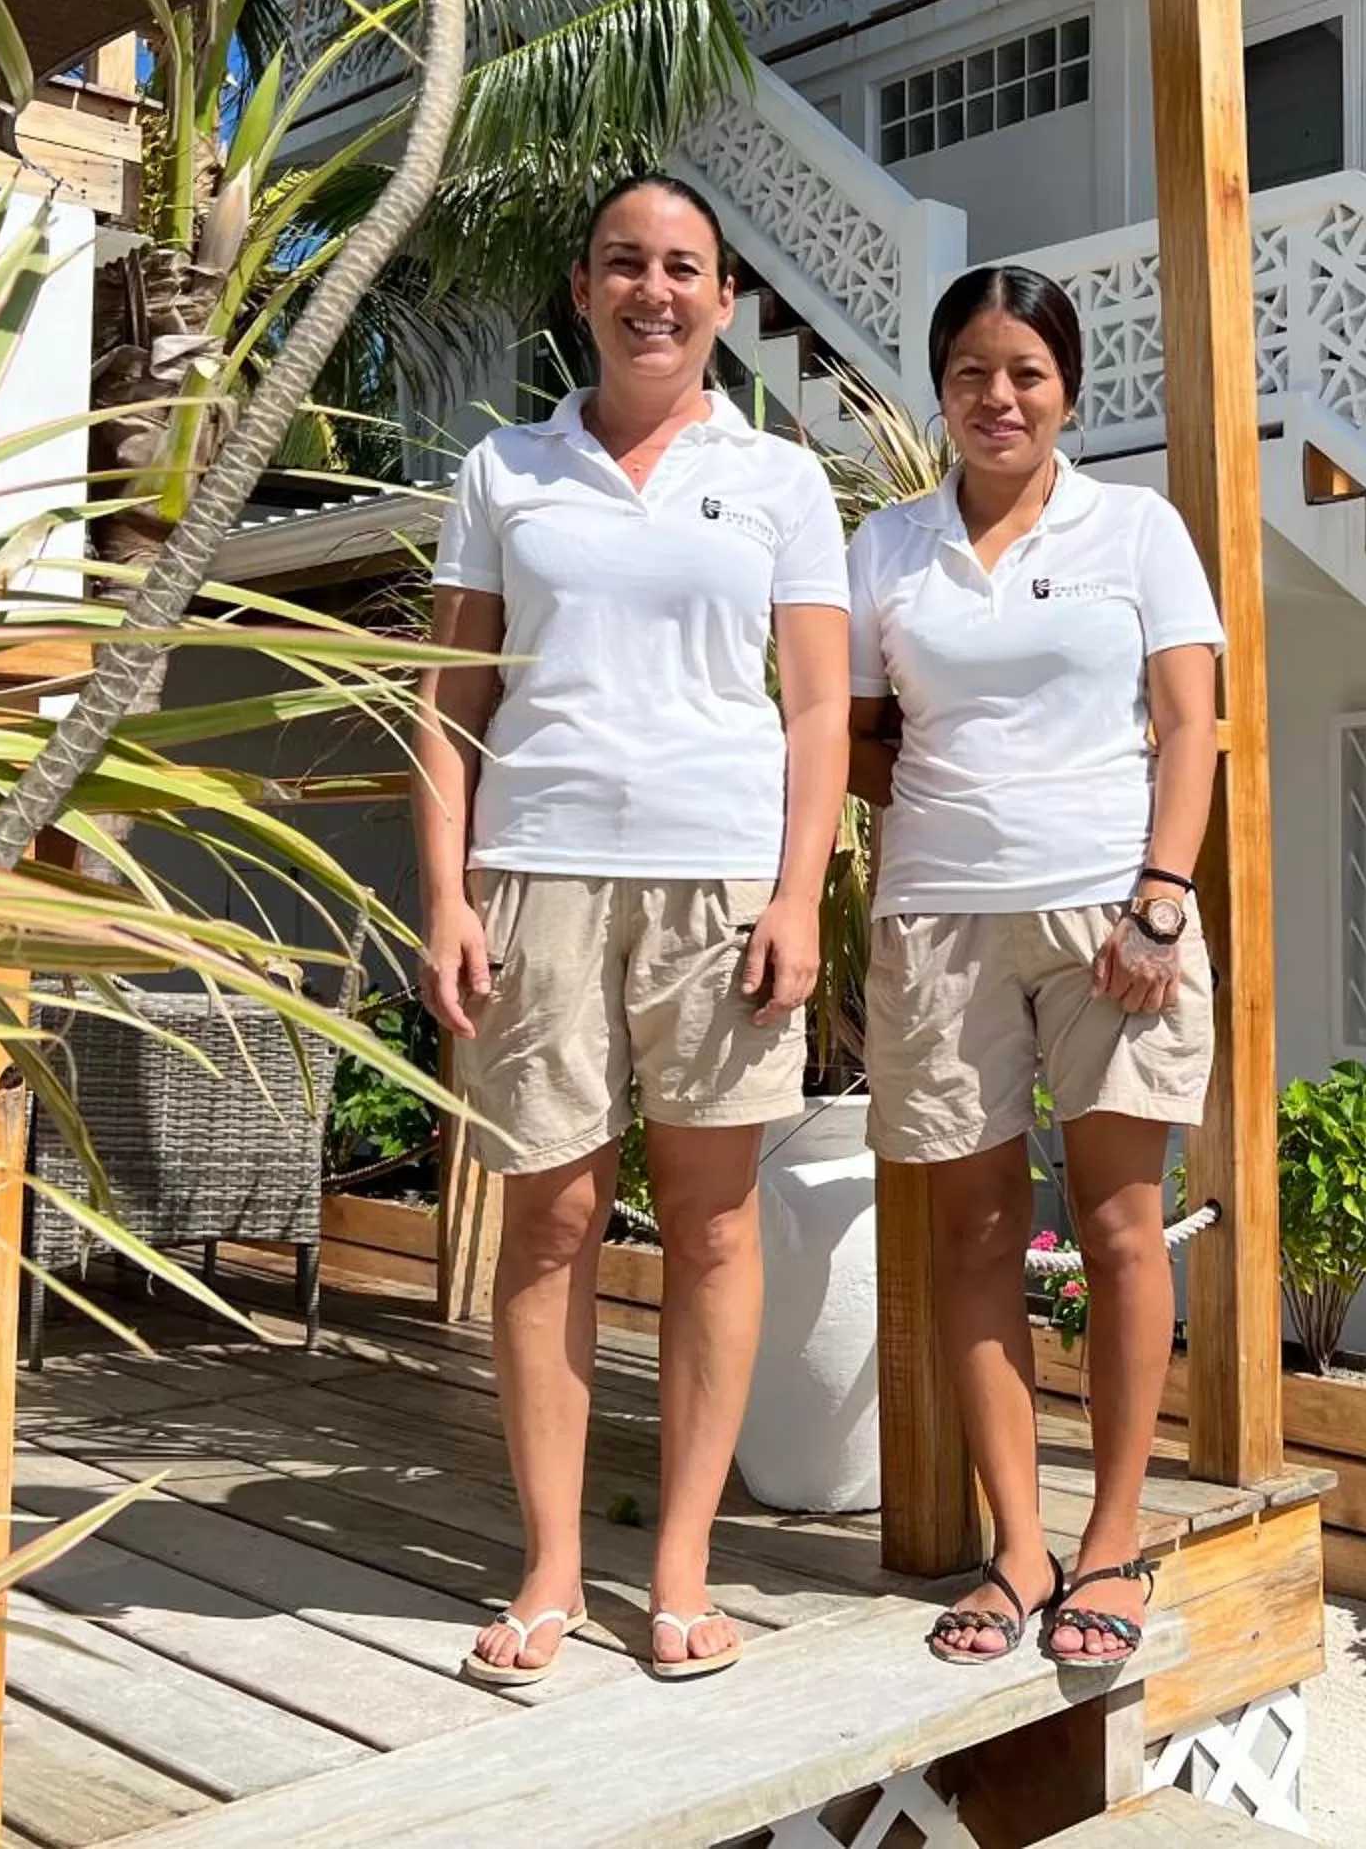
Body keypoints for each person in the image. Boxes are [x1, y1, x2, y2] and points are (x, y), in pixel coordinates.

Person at [412, 174, 849, 1686]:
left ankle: (678, 1566)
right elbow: (449, 706)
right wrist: (448, 894)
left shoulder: (785, 482)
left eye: (683, 268)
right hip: (538, 876)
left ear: (723, 299)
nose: (653, 290)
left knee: (718, 1223)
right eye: (624, 264)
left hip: (722, 885)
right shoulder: (504, 471)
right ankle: (546, 1565)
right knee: (550, 1220)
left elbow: (812, 711)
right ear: (584, 288)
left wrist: (798, 894)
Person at [847, 264, 1224, 1667]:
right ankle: (1019, 1546)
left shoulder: (1136, 529)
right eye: (970, 374)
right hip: (938, 921)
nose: (998, 398)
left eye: (1027, 374)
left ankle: (1113, 1538)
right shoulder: (883, 546)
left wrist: (1162, 899)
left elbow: (1192, 728)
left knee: (1126, 1230)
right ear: (938, 388)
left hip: (1114, 923)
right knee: (975, 1237)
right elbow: (864, 738)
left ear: (1068, 389)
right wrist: (967, 804)